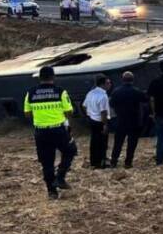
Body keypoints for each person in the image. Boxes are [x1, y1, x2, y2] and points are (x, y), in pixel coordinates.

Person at [24, 66, 77, 200]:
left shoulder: (30, 92)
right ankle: (60, 177)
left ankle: (52, 192)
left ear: (39, 78)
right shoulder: (60, 92)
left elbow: (27, 113)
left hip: (40, 132)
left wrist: (39, 120)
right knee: (70, 150)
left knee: (47, 162)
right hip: (58, 130)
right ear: (53, 77)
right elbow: (69, 111)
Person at [109, 71, 147, 168]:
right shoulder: (137, 91)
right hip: (134, 120)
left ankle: (114, 161)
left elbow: (111, 104)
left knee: (118, 142)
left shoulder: (116, 91)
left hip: (120, 120)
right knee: (132, 143)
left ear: (123, 80)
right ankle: (128, 162)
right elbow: (145, 100)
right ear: (133, 80)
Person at [82, 74, 111, 168]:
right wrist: (105, 125)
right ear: (103, 84)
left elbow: (84, 105)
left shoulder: (90, 93)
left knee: (94, 142)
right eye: (108, 83)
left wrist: (89, 114)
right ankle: (101, 162)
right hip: (100, 121)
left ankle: (94, 161)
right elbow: (103, 112)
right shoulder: (103, 96)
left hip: (92, 120)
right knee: (102, 142)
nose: (109, 84)